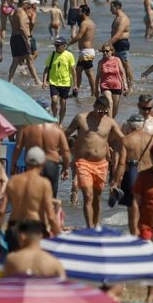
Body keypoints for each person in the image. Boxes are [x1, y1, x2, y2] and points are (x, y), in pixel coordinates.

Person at [66, 96, 123, 228]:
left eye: (104, 111)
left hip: (102, 164)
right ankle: (89, 227)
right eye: (99, 111)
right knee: (88, 195)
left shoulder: (110, 122)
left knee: (97, 198)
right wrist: (65, 153)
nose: (101, 114)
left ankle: (96, 226)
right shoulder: (81, 118)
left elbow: (122, 139)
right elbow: (66, 133)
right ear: (94, 106)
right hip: (83, 162)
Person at [43, 36, 76, 121]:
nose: (56, 47)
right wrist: (44, 82)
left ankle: (60, 122)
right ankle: (55, 117)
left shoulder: (69, 55)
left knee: (63, 103)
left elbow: (73, 71)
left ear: (64, 46)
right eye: (55, 45)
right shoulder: (52, 55)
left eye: (58, 45)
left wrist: (75, 85)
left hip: (66, 83)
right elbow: (46, 69)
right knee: (54, 100)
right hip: (53, 82)